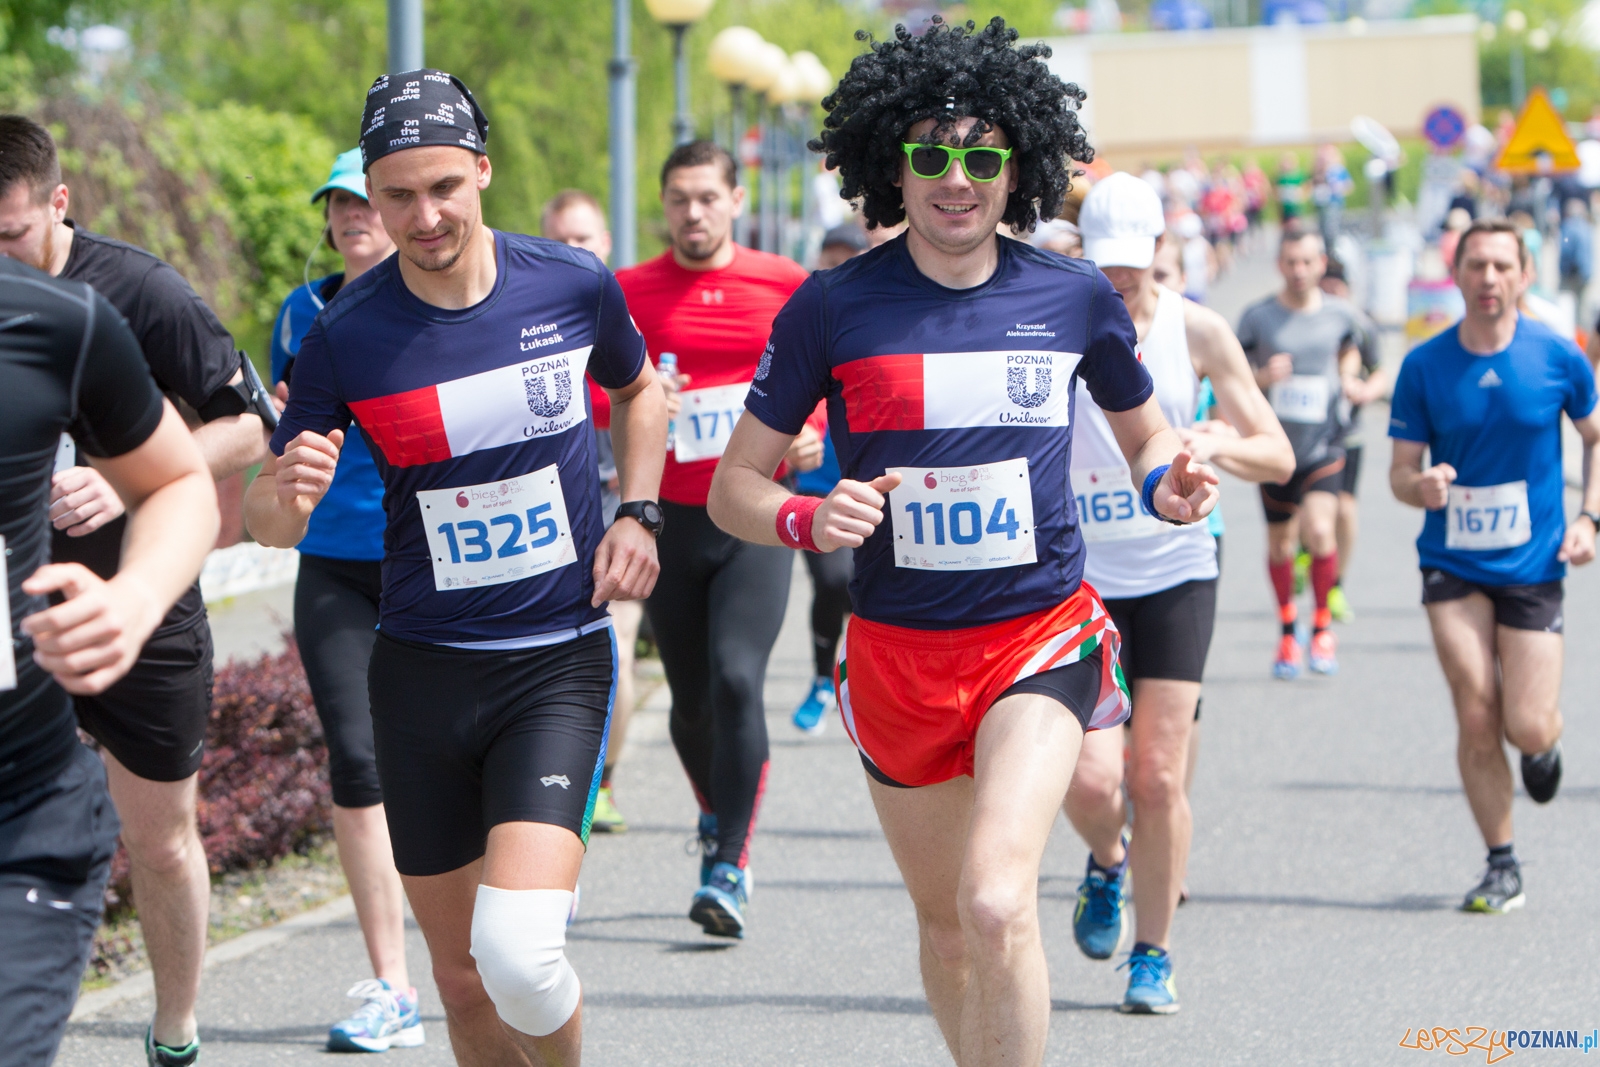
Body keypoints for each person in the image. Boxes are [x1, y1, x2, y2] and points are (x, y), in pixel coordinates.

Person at [708, 18, 1217, 1063]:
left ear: (1016, 166)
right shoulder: (831, 308)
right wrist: (808, 515)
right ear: (890, 162)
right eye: (930, 154)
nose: (956, 177)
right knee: (945, 928)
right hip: (896, 653)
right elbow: (731, 489)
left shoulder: (1069, 294)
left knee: (994, 900)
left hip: (1036, 638)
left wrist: (1170, 476)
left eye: (981, 155)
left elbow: (1145, 433)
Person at [245, 69, 667, 1065]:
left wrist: (639, 510)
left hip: (554, 660)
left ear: (482, 171)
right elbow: (267, 517)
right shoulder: (345, 332)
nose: (423, 215)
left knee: (518, 954)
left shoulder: (570, 283)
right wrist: (286, 493)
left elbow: (640, 392)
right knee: (463, 980)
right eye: (397, 195)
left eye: (443, 186)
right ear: (372, 196)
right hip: (422, 669)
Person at [0, 113, 273, 1067]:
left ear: (60, 203)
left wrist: (120, 479)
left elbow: (251, 424)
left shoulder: (131, 291)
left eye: (10, 236)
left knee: (158, 840)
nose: (0, 260)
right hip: (14, 628)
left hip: (137, 605)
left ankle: (175, 1032)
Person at [1062, 174, 1293, 1014]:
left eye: (1135, 264)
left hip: (1173, 570)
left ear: (1163, 250)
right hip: (1079, 578)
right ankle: (1107, 862)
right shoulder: (1056, 318)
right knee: (1087, 783)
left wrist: (1217, 442)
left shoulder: (1198, 328)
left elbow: (1279, 455)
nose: (1119, 280)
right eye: (1104, 263)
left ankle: (1152, 955)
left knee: (1156, 775)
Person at [0, 250, 219, 1067]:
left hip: (17, 811)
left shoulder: (59, 318)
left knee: (162, 837)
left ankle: (176, 1028)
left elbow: (179, 480)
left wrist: (134, 597)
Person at [614, 140, 819, 939]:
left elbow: (830, 379)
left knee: (738, 680)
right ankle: (714, 813)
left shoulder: (784, 285)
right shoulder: (629, 292)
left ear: (736, 200)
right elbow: (600, 405)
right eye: (678, 200)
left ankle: (729, 861)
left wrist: (813, 433)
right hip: (670, 521)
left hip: (756, 511)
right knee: (691, 701)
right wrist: (636, 401)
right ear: (663, 207)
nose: (692, 214)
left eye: (707, 197)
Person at [1388, 218, 1599, 913]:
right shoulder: (1425, 364)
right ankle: (1501, 861)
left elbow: (1595, 437)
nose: (1489, 279)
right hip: (1452, 563)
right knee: (1477, 710)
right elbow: (1399, 470)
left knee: (1528, 724)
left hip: (1535, 561)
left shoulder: (1557, 356)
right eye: (1476, 265)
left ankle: (1540, 748)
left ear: (1525, 275)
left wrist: (1590, 517)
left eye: (1503, 266)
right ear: (1457, 273)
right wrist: (1420, 488)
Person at [268, 147, 422, 1052]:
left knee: (450, 755)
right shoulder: (303, 310)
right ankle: (392, 985)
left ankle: (497, 934)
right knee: (356, 763)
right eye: (339, 204)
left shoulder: (434, 307)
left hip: (426, 559)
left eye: (366, 200)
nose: (353, 216)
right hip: (330, 556)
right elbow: (280, 426)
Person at [541, 187, 640, 834]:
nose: (575, 251)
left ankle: (600, 782)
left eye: (585, 239)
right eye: (561, 241)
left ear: (605, 244)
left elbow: (651, 394)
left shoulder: (629, 303)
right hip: (552, 516)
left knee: (618, 651)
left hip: (619, 506)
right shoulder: (527, 312)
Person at [1237, 226, 1363, 678]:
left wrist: (1351, 379)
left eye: (1307, 262)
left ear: (1321, 264)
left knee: (1320, 530)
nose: (1299, 271)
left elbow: (1359, 355)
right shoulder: (1257, 318)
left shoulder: (1342, 314)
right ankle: (1289, 631)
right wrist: (1263, 377)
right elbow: (1232, 377)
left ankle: (1323, 626)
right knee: (1280, 544)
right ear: (1279, 265)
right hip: (1274, 448)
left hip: (1324, 445)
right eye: (1291, 262)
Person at [789, 224, 870, 735]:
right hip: (819, 489)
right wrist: (794, 433)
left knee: (865, 590)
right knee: (833, 580)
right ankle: (823, 679)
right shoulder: (808, 314)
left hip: (882, 492)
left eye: (849, 258)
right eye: (829, 258)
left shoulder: (884, 313)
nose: (837, 268)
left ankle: (862, 679)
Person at [1318, 257, 1385, 622]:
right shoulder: (1300, 318)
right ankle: (1307, 557)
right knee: (1307, 515)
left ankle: (1336, 584)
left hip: (1347, 432)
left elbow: (1381, 372)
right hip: (1303, 434)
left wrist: (1364, 391)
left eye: (1336, 287)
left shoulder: (1358, 323)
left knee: (1343, 509)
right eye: (1324, 286)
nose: (1331, 294)